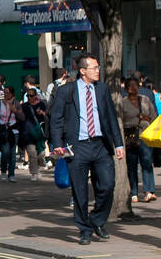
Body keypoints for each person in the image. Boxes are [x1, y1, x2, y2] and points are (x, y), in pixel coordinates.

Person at [49, 54, 124, 244]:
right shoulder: (67, 90)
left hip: (100, 145)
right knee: (80, 191)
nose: (98, 71)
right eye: (94, 68)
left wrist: (118, 143)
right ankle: (84, 229)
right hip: (78, 146)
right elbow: (56, 118)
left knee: (107, 186)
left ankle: (97, 220)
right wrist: (57, 144)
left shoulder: (102, 89)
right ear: (83, 71)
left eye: (98, 67)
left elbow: (110, 117)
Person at [118, 77, 157, 202]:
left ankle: (149, 191)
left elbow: (154, 116)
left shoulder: (145, 100)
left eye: (136, 85)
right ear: (127, 88)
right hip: (130, 138)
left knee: (147, 163)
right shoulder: (122, 102)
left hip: (144, 136)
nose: (134, 88)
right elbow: (120, 121)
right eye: (131, 85)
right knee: (132, 165)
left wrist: (147, 119)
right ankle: (133, 192)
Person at [0, 85, 23, 182]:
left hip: (13, 131)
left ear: (12, 94)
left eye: (8, 93)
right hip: (2, 131)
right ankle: (3, 171)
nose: (5, 94)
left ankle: (12, 174)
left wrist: (14, 110)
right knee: (5, 152)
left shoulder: (16, 104)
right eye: (4, 92)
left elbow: (22, 117)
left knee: (12, 154)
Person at [21, 87, 50, 181]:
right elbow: (20, 118)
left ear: (36, 96)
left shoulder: (41, 104)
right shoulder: (24, 106)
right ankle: (34, 173)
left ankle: (39, 168)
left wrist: (42, 113)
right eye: (27, 95)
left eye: (31, 95)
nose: (29, 97)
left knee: (41, 154)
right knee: (32, 153)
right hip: (28, 133)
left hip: (39, 133)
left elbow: (47, 117)